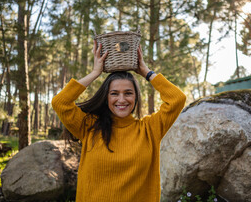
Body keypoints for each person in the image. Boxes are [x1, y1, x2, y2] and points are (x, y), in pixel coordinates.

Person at [51, 40, 186, 202]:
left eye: (128, 93)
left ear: (136, 97)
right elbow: (60, 102)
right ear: (106, 97)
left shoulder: (149, 129)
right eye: (114, 93)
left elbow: (177, 99)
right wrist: (95, 73)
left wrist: (145, 71)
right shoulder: (90, 126)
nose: (121, 99)